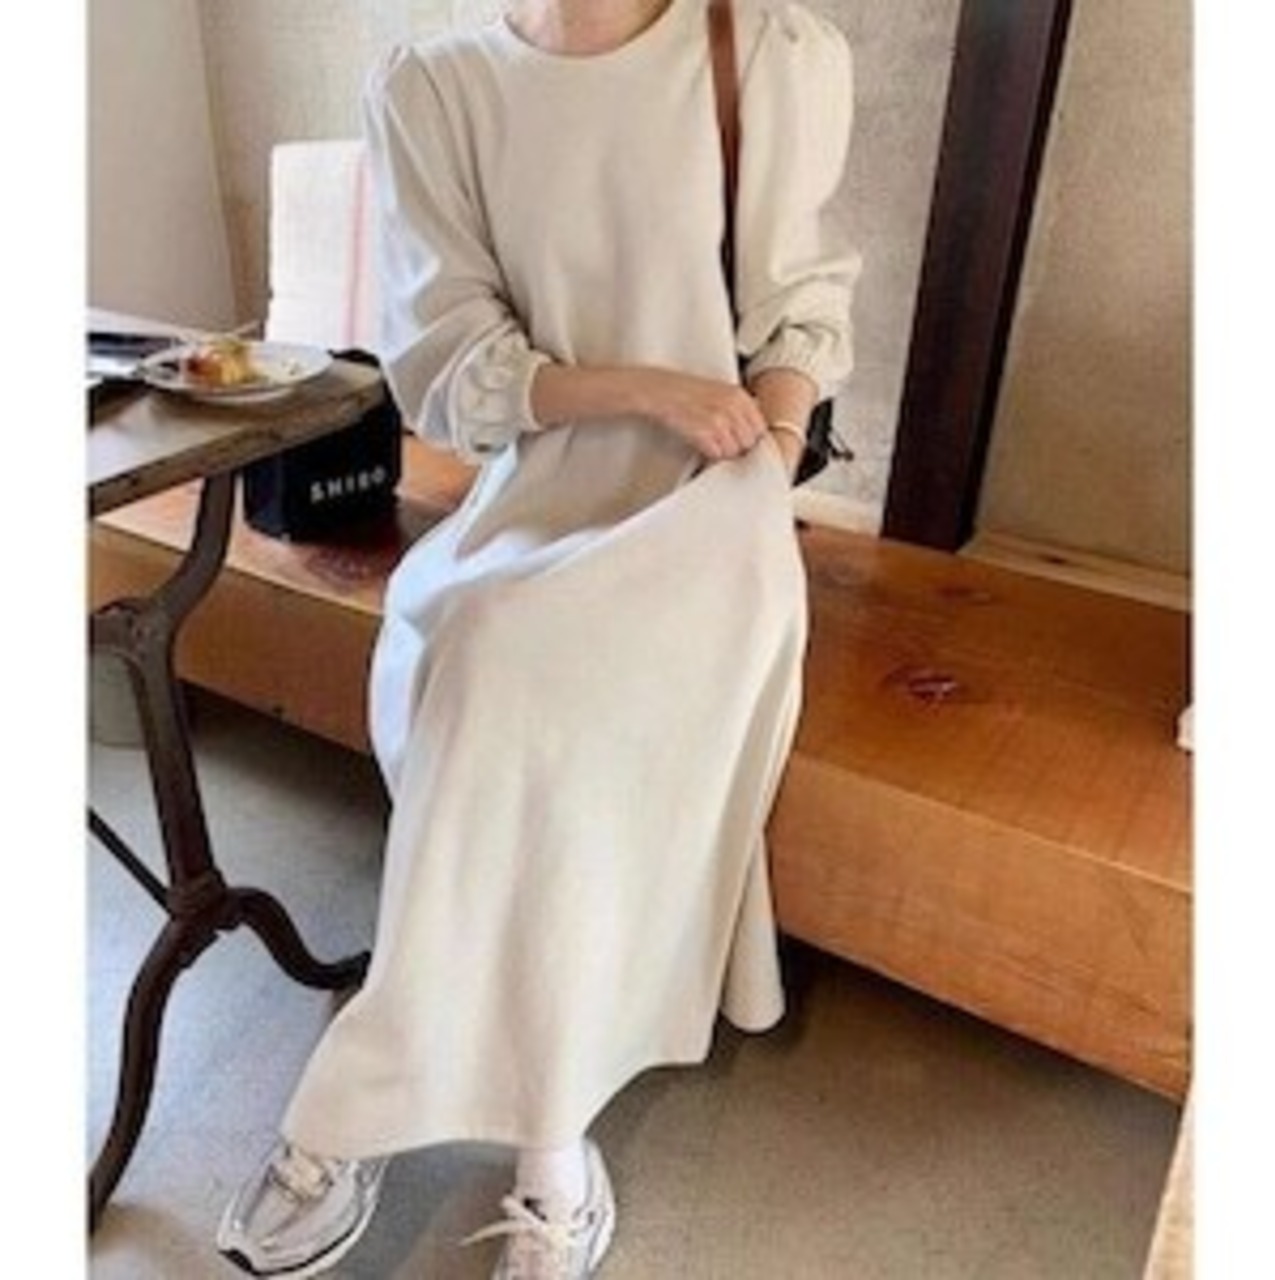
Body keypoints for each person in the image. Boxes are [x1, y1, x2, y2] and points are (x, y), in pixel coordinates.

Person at [217, 0, 858, 1275]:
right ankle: (543, 1137)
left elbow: (798, 315)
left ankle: (412, 1121)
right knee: (472, 650)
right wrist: (645, 389)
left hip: (713, 510)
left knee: (504, 668)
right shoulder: (432, 87)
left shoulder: (766, 52)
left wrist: (766, 453)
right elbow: (448, 363)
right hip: (539, 495)